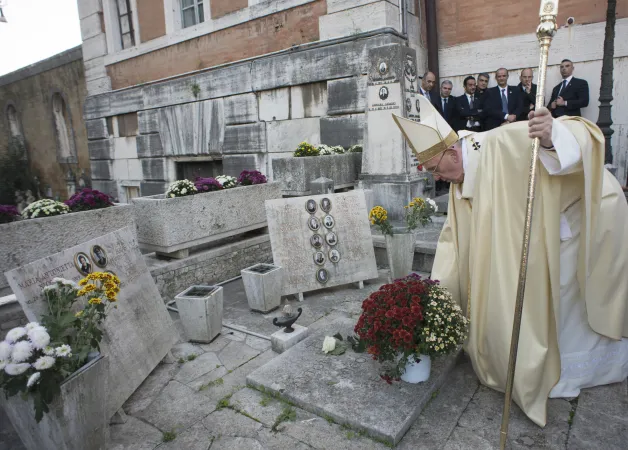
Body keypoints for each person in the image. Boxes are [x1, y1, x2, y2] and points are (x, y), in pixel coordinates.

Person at [392, 95, 628, 428]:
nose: (437, 179)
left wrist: (551, 137)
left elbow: (584, 134)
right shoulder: (461, 180)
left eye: (434, 170)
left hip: (581, 217)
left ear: (452, 153)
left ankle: (561, 370)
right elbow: (453, 245)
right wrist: (435, 302)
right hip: (545, 227)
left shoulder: (503, 141)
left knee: (559, 293)